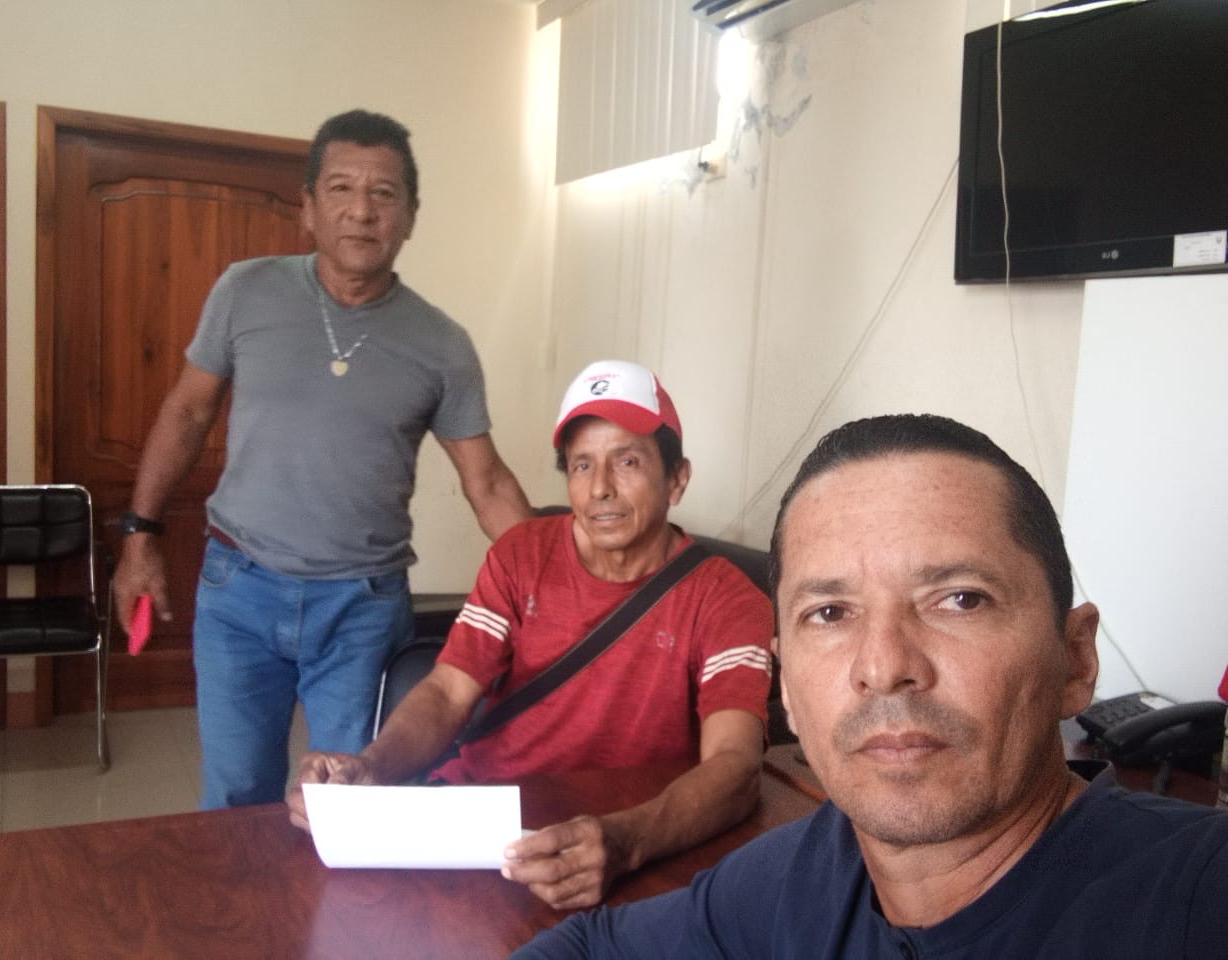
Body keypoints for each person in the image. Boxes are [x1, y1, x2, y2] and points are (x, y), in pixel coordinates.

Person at [514, 413, 1228, 958]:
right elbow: (588, 947)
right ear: (786, 687)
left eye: (960, 599)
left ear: (1074, 661)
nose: (884, 666)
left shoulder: (1195, 899)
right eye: (830, 613)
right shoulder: (798, 877)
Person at [112, 110, 531, 810]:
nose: (362, 211)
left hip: (361, 608)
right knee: (236, 799)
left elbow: (486, 482)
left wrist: (560, 585)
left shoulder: (441, 344)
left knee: (353, 801)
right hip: (239, 589)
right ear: (308, 206)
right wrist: (139, 537)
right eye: (341, 188)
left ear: (410, 216)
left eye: (384, 194)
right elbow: (186, 413)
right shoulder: (245, 290)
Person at [287, 359, 774, 910]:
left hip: (626, 830)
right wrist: (372, 768)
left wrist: (628, 841)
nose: (600, 489)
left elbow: (735, 765)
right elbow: (449, 691)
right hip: (484, 823)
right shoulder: (521, 556)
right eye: (582, 465)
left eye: (628, 461)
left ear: (677, 479)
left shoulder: (729, 600)